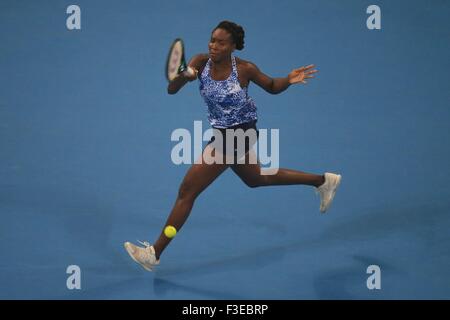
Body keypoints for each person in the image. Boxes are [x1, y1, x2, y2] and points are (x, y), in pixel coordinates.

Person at [124, 21, 341, 271]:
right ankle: (323, 181)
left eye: (221, 42)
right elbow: (171, 89)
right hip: (224, 134)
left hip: (238, 135)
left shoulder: (245, 69)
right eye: (212, 40)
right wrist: (184, 76)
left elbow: (271, 86)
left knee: (187, 191)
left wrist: (289, 80)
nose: (213, 45)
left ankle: (154, 253)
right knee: (257, 178)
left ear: (233, 47)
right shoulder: (200, 62)